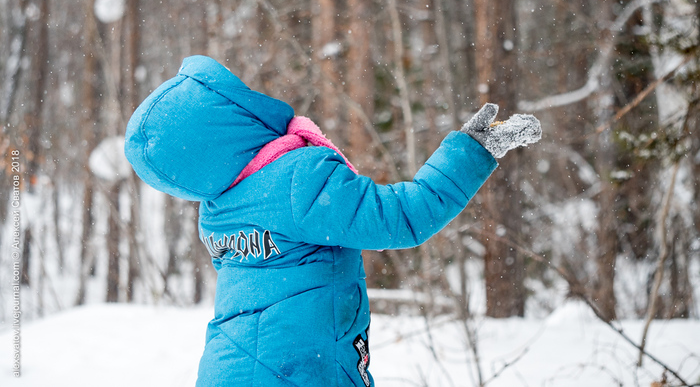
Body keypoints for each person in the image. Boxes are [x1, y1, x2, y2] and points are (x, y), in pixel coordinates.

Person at [124, 55, 541, 387]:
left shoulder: (216, 210)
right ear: (226, 124)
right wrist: (472, 151)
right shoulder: (295, 178)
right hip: (302, 370)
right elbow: (402, 217)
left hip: (227, 368)